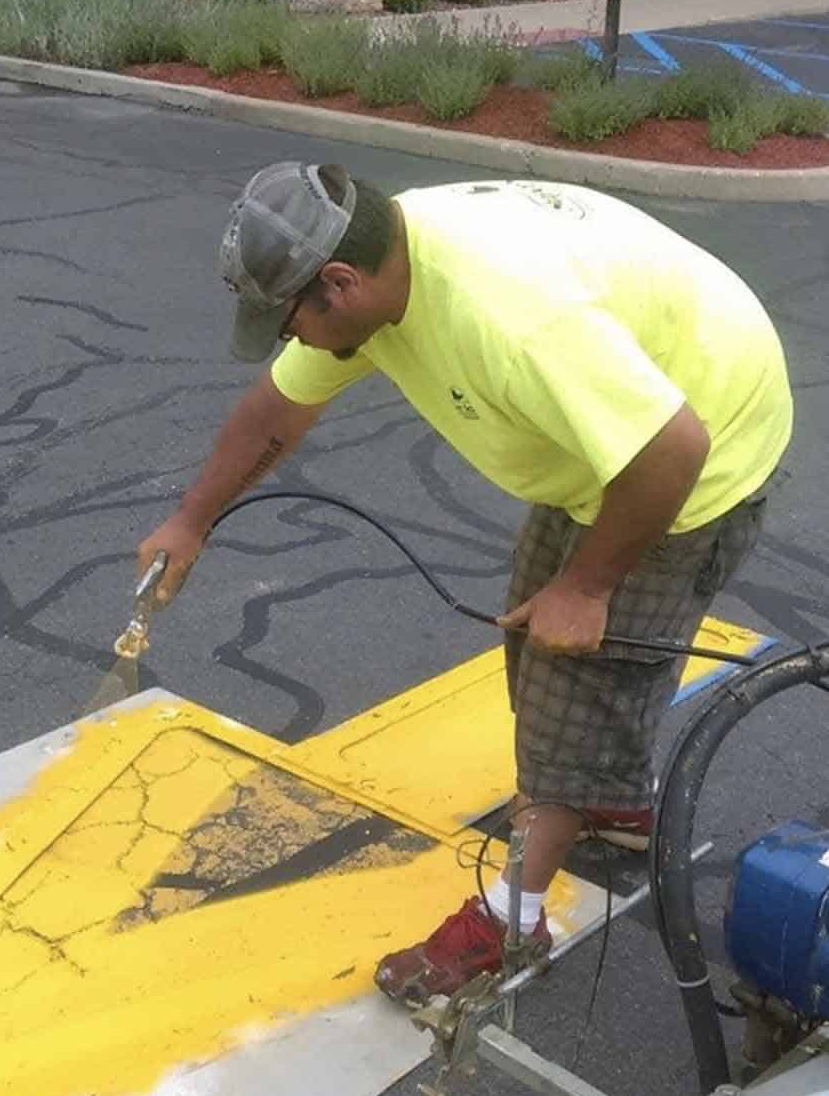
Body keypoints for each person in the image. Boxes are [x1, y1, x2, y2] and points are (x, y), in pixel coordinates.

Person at [137, 160, 792, 1008]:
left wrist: (589, 586)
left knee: (576, 671)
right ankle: (611, 803)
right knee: (541, 641)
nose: (288, 338)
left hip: (694, 442)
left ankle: (515, 916)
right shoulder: (377, 282)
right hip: (607, 432)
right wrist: (192, 520)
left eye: (288, 319)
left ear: (338, 283)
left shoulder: (507, 316)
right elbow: (277, 409)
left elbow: (672, 450)